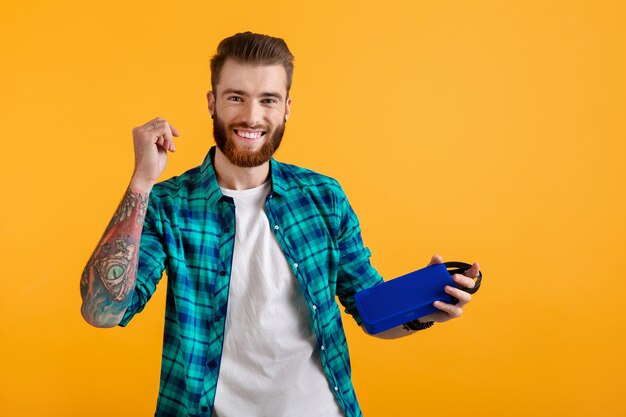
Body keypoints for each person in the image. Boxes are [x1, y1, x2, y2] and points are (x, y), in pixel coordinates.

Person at [80, 31, 479, 417]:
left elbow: (371, 313)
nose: (252, 117)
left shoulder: (323, 197)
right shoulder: (169, 205)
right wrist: (141, 182)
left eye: (267, 99)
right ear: (212, 103)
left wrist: (425, 307)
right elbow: (102, 312)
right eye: (236, 97)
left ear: (287, 106)